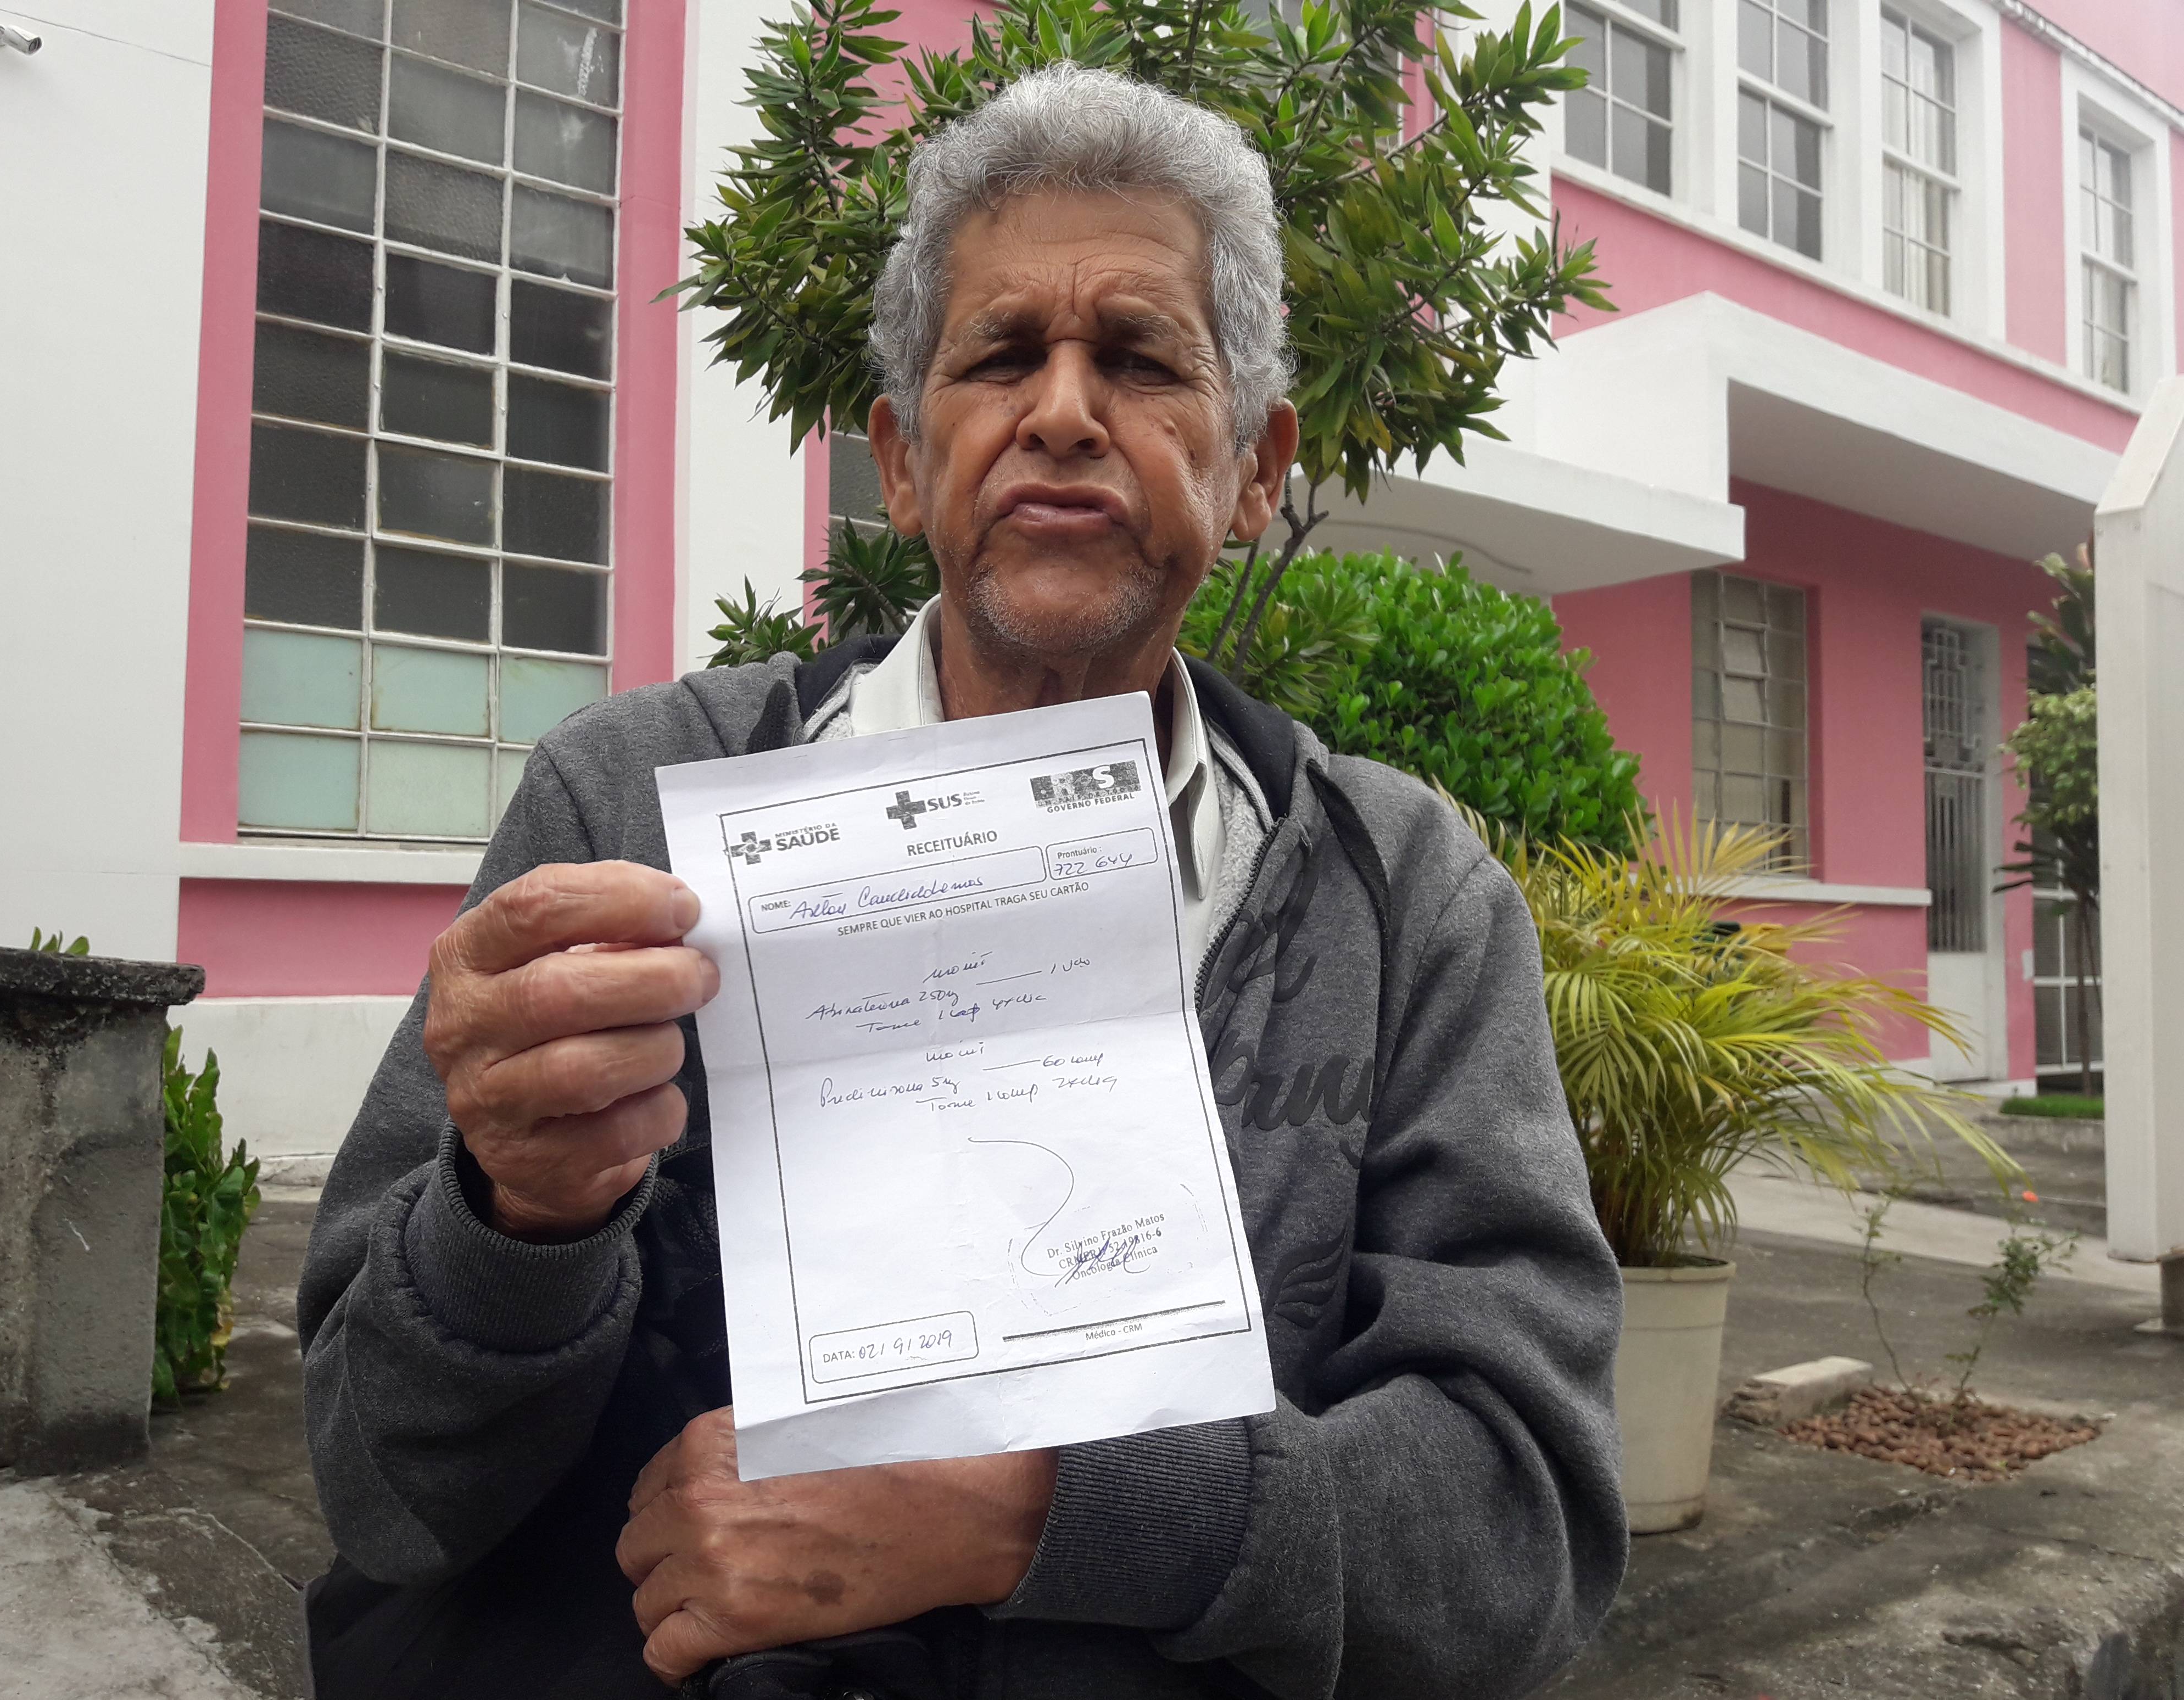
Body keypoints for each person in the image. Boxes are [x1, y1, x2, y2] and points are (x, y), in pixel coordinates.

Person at [299, 63, 1627, 1700]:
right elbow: (381, 1490)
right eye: (1002, 355)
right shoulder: (635, 804)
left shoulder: (1408, 894)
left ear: (1256, 469)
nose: (1064, 408)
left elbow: (1523, 1534)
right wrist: (514, 1213)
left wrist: (1036, 1514)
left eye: (1140, 360)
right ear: (904, 463)